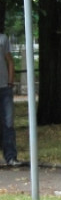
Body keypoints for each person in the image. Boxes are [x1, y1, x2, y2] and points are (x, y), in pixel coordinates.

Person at [0, 29, 19, 166]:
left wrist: (11, 81)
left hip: (4, 87)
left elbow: (9, 60)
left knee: (8, 123)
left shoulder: (3, 38)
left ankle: (10, 157)